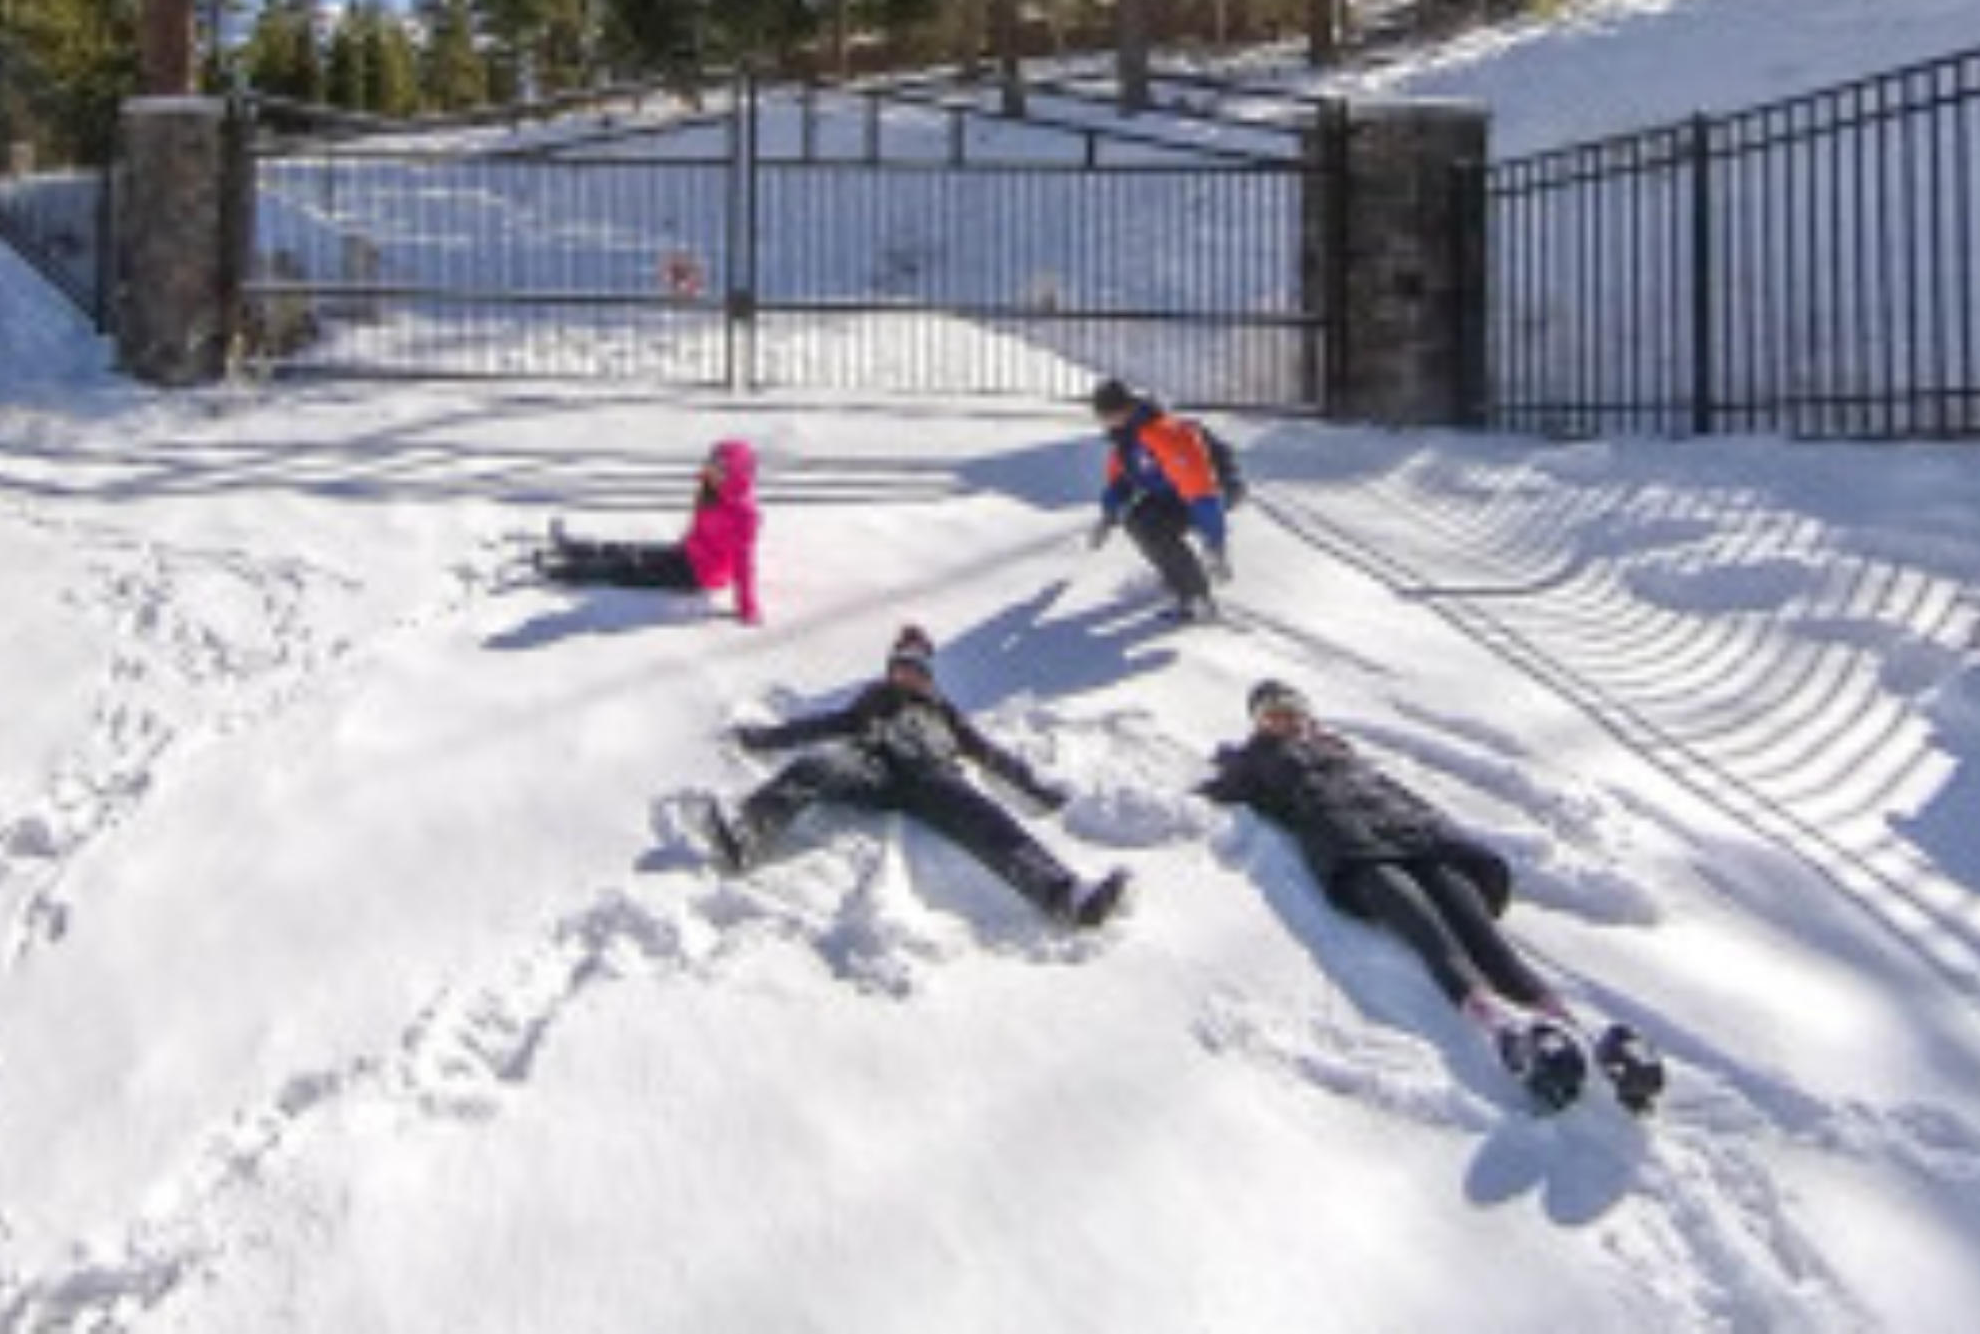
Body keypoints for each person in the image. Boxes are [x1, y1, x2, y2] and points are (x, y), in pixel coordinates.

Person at [1201, 678, 1663, 1113]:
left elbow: (1397, 794)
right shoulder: (1257, 763)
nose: (1283, 721)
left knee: (1487, 940)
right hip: (1358, 854)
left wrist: (1448, 836)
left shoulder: (1340, 751)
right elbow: (1221, 790)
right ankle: (1506, 1030)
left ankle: (1579, 1032)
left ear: (1306, 716)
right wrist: (1232, 766)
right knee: (1433, 937)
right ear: (1258, 725)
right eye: (1270, 716)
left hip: (1422, 839)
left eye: (1290, 712)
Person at [690, 624, 1130, 931]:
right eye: (900, 665)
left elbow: (989, 754)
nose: (906, 674)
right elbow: (823, 725)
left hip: (931, 779)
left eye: (915, 668)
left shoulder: (944, 714)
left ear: (927, 675)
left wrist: (1039, 789)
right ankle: (746, 840)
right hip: (875, 770)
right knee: (816, 766)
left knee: (987, 820)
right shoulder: (876, 699)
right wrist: (763, 737)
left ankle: (1065, 897)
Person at [545, 439, 762, 623]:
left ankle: (565, 571)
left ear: (736, 472)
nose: (713, 472)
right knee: (629, 551)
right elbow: (698, 527)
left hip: (700, 574)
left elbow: (744, 562)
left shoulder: (743, 514)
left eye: (721, 468)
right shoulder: (711, 491)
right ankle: (574, 549)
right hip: (688, 553)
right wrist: (684, 544)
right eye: (712, 464)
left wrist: (747, 607)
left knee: (628, 570)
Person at [1085, 378, 1243, 620]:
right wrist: (1107, 517)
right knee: (1138, 520)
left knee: (1154, 529)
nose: (1103, 422)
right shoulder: (1126, 437)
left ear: (1124, 408)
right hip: (1175, 494)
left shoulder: (1162, 434)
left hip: (1213, 490)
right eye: (1101, 416)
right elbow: (1121, 483)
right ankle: (1177, 579)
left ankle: (1197, 599)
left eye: (1107, 414)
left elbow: (1200, 489)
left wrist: (1214, 544)